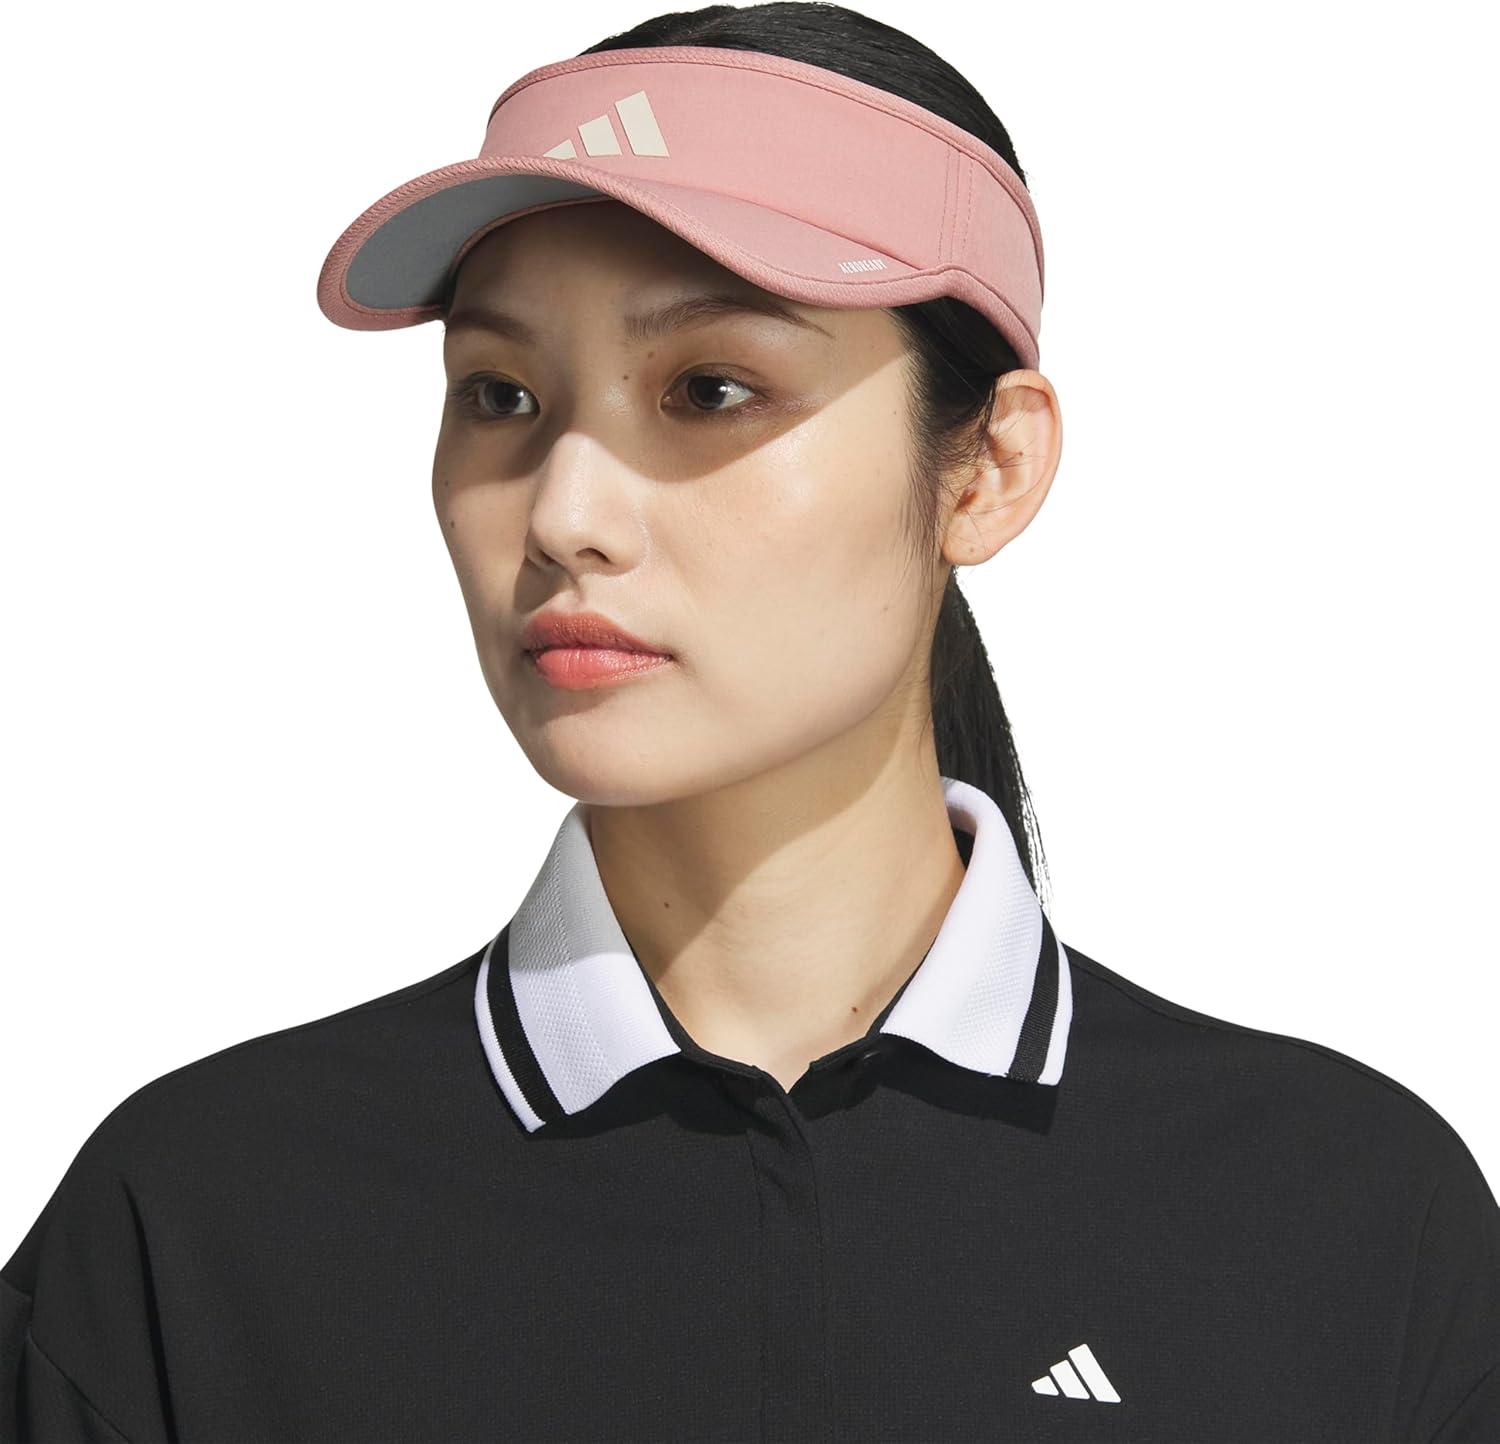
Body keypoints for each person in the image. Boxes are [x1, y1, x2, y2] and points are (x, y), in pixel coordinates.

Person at [4, 5, 1497, 1441]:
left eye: (710, 387)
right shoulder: (191, 1236)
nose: (566, 514)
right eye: (502, 395)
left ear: (988, 467)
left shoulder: (1354, 1228)